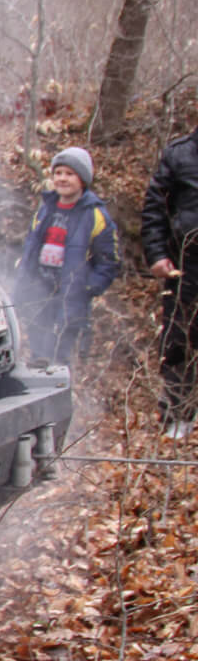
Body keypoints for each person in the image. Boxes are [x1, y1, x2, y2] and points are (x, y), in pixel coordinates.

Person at [12, 146, 118, 369]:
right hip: (40, 290)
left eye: (70, 174)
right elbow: (31, 247)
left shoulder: (95, 215)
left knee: (61, 356)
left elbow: (109, 260)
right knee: (38, 354)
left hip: (71, 297)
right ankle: (39, 387)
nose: (62, 178)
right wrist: (24, 280)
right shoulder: (45, 209)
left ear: (83, 180)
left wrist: (88, 287)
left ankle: (62, 389)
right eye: (58, 173)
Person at [142, 124, 198, 438]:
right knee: (178, 342)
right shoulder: (179, 154)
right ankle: (178, 419)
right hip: (185, 267)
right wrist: (156, 254)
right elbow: (155, 208)